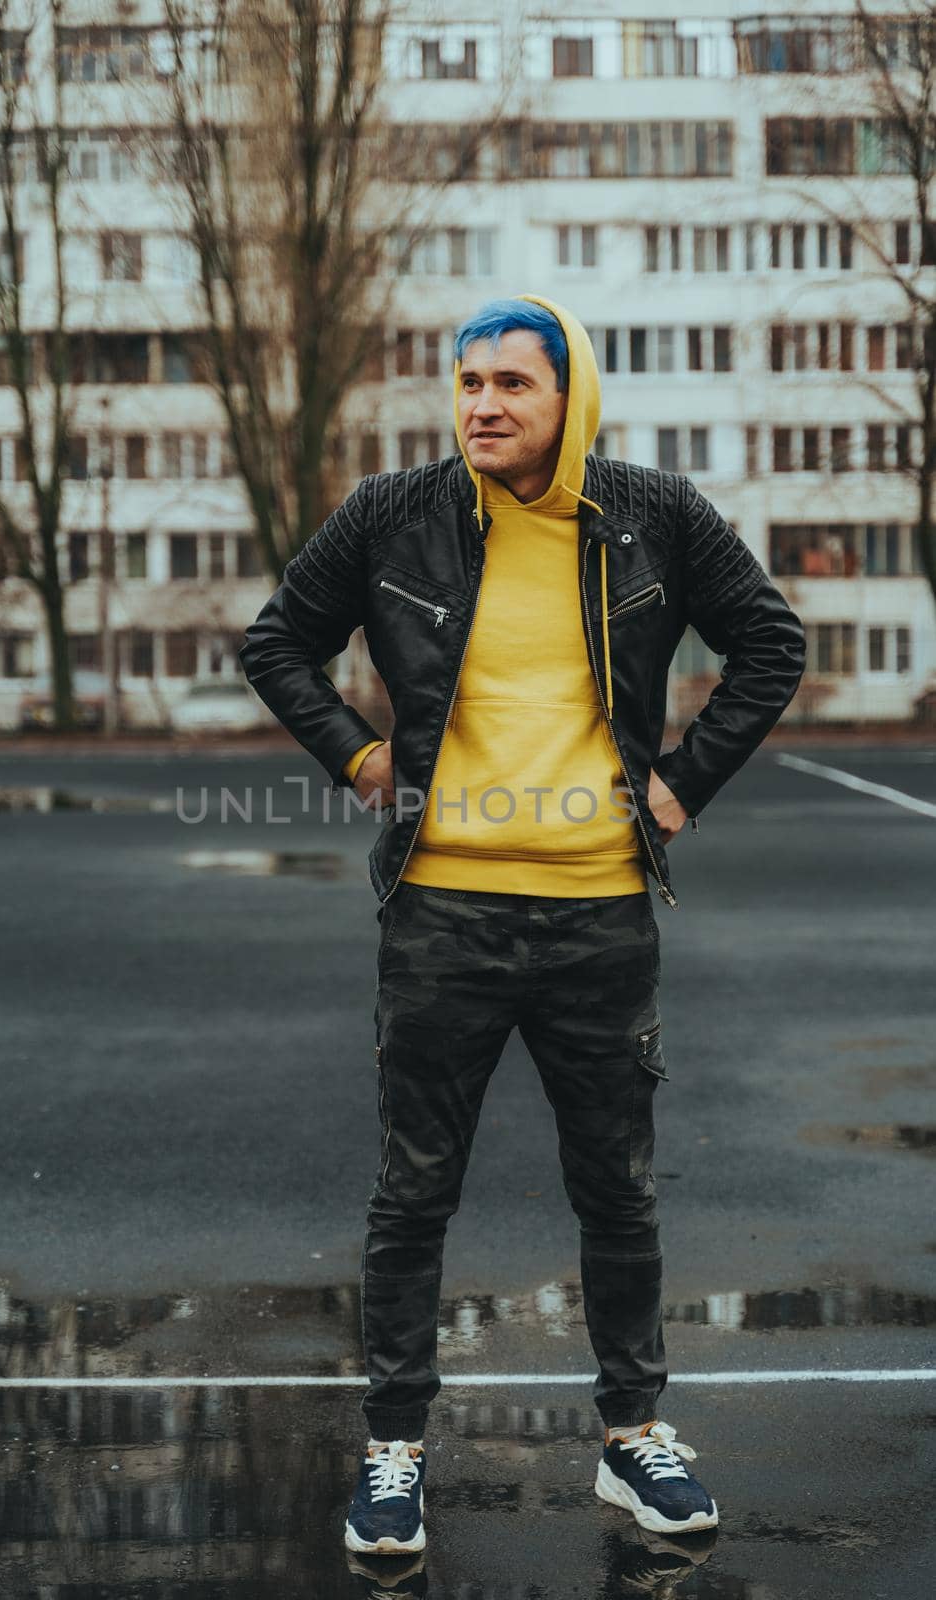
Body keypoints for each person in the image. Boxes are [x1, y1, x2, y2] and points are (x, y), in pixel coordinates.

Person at [239, 295, 806, 1556]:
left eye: (510, 384)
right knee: (411, 1193)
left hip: (600, 915)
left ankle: (630, 1440)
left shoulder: (650, 515)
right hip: (440, 913)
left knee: (616, 1192)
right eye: (467, 383)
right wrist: (356, 755)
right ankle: (391, 1453)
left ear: (569, 398)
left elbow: (770, 640)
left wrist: (676, 786)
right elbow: (277, 639)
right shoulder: (395, 515)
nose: (481, 404)